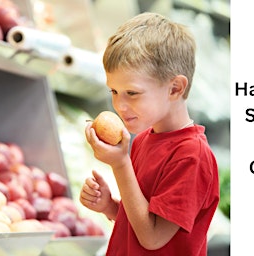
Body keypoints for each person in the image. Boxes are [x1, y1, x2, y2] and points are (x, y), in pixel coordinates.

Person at [79, 12, 220, 255]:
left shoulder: (191, 156)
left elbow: (153, 238)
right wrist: (110, 207)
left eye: (132, 93)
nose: (119, 105)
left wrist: (120, 164)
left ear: (175, 88)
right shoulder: (145, 139)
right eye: (113, 91)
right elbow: (141, 218)